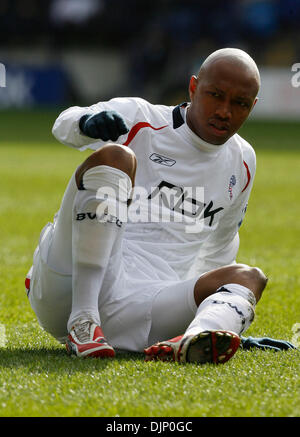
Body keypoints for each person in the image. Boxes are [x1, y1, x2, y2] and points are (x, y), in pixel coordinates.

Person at [25, 48, 294, 364]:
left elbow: (219, 247)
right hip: (67, 290)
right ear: (193, 88)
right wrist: (86, 122)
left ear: (253, 106)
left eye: (240, 104)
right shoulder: (143, 118)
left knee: (249, 278)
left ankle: (198, 337)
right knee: (116, 158)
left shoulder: (243, 160)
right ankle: (83, 322)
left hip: (146, 306)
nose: (225, 111)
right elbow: (64, 122)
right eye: (215, 95)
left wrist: (224, 315)